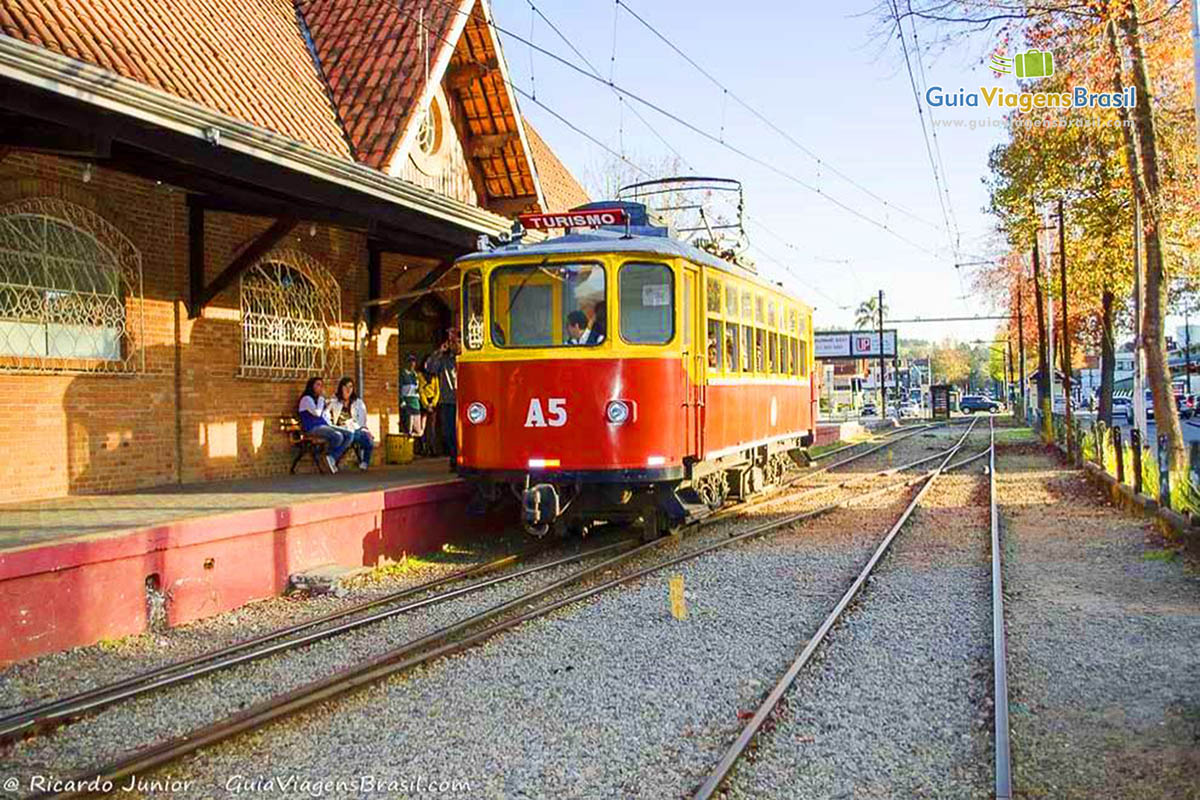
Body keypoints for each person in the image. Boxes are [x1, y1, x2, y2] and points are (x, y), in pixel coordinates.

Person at [297, 377, 352, 474]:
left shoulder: (318, 400)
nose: (320, 387)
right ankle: (328, 456)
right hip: (312, 428)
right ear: (311, 386)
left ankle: (332, 457)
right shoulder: (306, 399)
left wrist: (328, 404)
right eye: (317, 385)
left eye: (321, 385)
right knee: (338, 436)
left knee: (349, 434)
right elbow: (317, 413)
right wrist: (322, 399)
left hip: (323, 425)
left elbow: (324, 414)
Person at [425, 329, 460, 471]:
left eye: (456, 341)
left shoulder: (469, 356)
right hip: (448, 401)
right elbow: (430, 368)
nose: (454, 345)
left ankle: (463, 460)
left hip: (466, 401)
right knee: (448, 433)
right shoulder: (444, 359)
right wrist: (439, 352)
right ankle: (454, 459)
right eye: (451, 342)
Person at [329, 377, 374, 470]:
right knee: (350, 435)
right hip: (341, 428)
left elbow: (362, 420)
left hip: (355, 428)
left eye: (351, 387)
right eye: (345, 387)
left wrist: (359, 428)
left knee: (368, 439)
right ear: (341, 388)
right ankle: (332, 459)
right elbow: (326, 413)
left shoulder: (358, 402)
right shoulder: (334, 401)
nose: (348, 390)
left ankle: (365, 462)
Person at [399, 353, 424, 440]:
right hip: (407, 401)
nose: (412, 364)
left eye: (414, 362)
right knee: (408, 427)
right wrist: (402, 400)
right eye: (410, 362)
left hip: (415, 401)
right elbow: (400, 387)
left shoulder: (415, 375)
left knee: (418, 429)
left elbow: (419, 387)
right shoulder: (403, 374)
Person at [418, 358, 440, 457]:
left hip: (433, 403)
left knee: (432, 428)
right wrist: (426, 404)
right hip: (424, 403)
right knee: (423, 427)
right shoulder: (420, 375)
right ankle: (424, 448)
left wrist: (433, 403)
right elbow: (420, 390)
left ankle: (433, 449)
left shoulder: (435, 377)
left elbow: (437, 391)